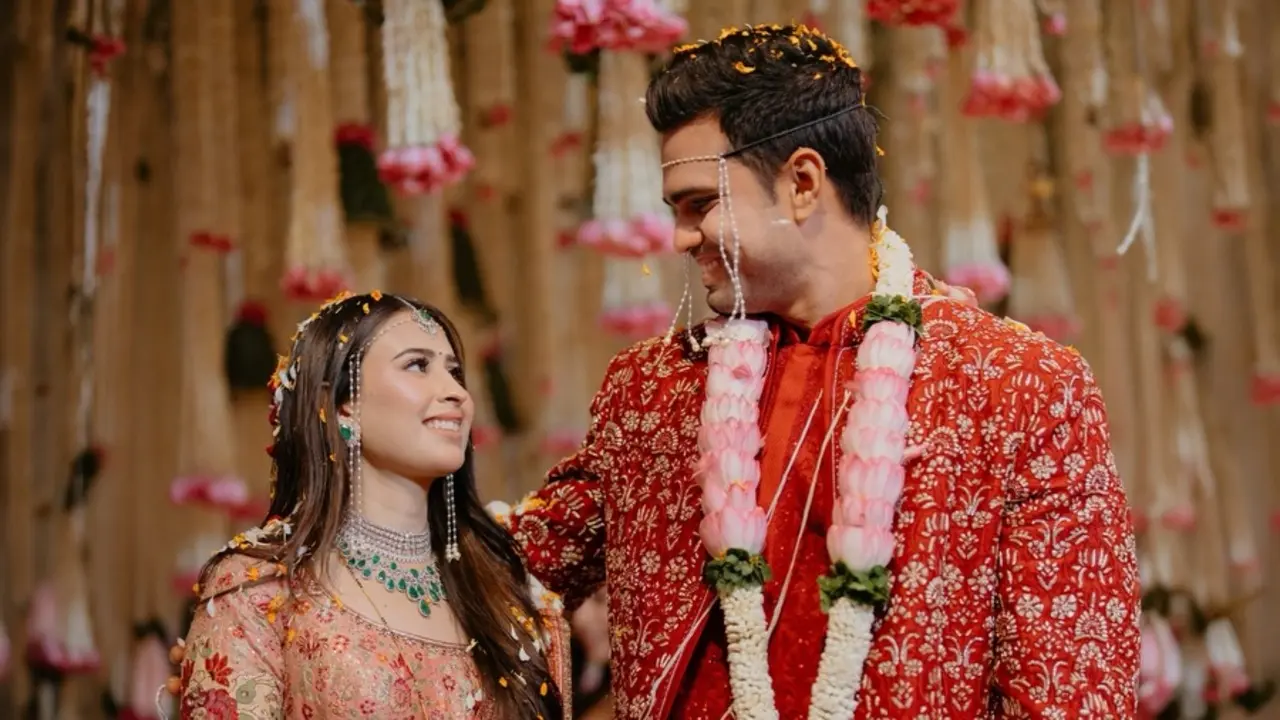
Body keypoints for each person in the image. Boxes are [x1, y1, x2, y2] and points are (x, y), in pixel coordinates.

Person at [492, 23, 1141, 719]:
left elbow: (1070, 690)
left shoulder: (1013, 383)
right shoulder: (652, 390)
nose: (680, 237)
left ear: (802, 183)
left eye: (700, 204)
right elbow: (508, 569)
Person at [171, 292, 570, 718]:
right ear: (343, 407)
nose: (455, 392)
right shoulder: (262, 593)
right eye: (417, 365)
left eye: (455, 372)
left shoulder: (511, 596)